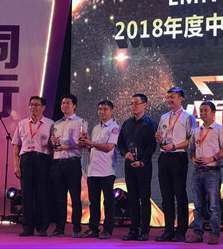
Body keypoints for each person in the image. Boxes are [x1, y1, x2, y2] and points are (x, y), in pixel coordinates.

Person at [154, 87, 196, 242]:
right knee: (166, 196)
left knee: (180, 194)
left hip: (179, 156)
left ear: (181, 98)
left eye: (172, 97)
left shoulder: (188, 117)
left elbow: (191, 140)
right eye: (168, 97)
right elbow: (161, 138)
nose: (169, 100)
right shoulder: (164, 117)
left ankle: (181, 231)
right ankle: (168, 230)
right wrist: (159, 140)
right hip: (164, 157)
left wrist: (175, 146)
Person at [185, 101, 223, 245]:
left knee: (214, 206)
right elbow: (192, 149)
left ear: (213, 113)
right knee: (197, 205)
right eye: (201, 111)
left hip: (212, 172)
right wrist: (193, 159)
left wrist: (212, 158)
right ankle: (197, 233)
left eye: (206, 111)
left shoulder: (219, 129)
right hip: (197, 172)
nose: (203, 113)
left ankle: (214, 234)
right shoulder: (196, 131)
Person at [117, 93, 157, 242]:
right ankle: (133, 230)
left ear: (144, 105)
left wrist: (143, 161)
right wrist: (125, 153)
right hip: (129, 165)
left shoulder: (150, 123)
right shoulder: (127, 123)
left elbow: (152, 145)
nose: (133, 106)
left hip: (143, 165)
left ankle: (144, 230)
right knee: (132, 198)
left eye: (136, 103)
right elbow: (121, 143)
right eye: (132, 103)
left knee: (144, 198)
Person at [12, 96, 53, 237]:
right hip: (26, 159)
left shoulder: (50, 124)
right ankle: (27, 227)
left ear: (43, 107)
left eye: (36, 105)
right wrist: (16, 165)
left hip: (43, 159)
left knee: (42, 194)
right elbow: (16, 146)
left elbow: (53, 146)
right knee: (26, 194)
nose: (33, 107)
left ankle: (42, 227)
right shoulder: (22, 124)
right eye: (31, 105)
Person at [79, 100, 120, 240]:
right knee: (94, 202)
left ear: (112, 111)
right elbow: (92, 149)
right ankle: (93, 228)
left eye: (105, 109)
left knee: (108, 202)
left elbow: (109, 147)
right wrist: (86, 143)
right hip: (93, 170)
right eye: (100, 109)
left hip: (106, 170)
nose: (102, 112)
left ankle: (107, 229)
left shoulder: (114, 128)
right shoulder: (96, 128)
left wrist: (91, 143)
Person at [49, 93, 87, 238]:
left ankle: (77, 228)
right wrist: (53, 143)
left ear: (74, 106)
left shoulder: (80, 122)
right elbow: (52, 146)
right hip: (58, 163)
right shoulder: (56, 124)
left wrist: (68, 147)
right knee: (59, 198)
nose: (64, 105)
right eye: (63, 103)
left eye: (68, 103)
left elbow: (83, 144)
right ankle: (59, 228)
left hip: (72, 163)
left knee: (75, 197)